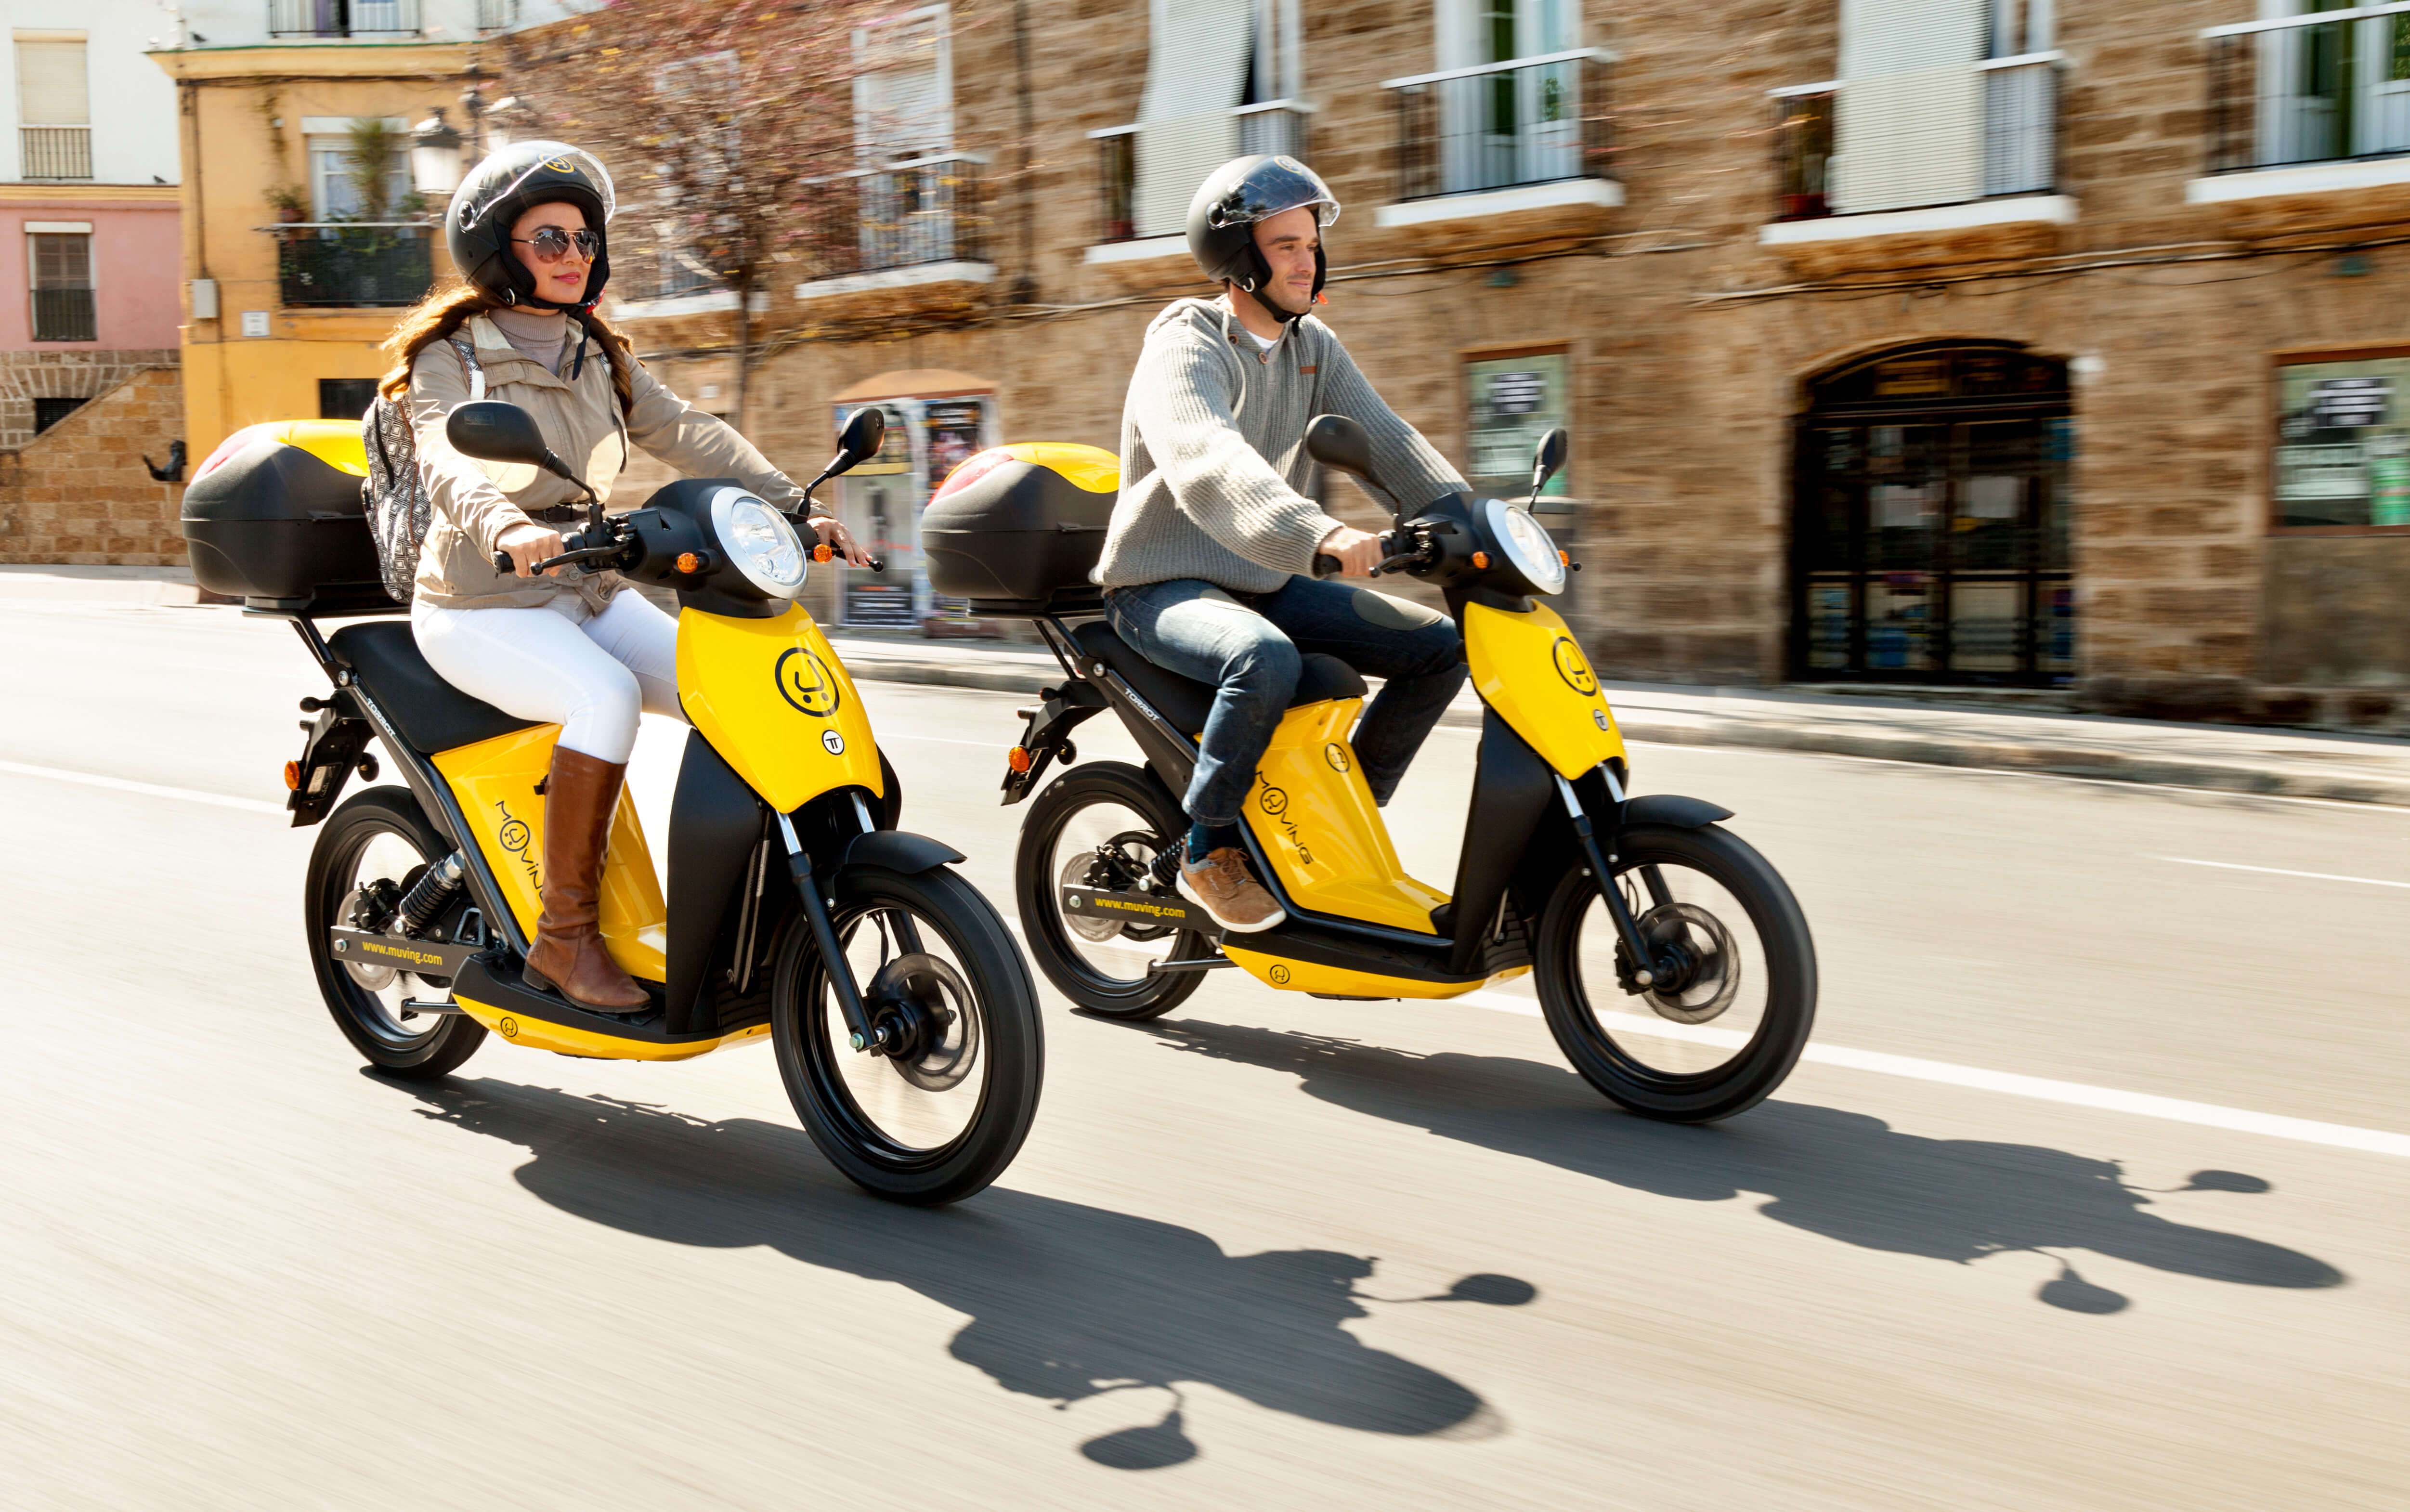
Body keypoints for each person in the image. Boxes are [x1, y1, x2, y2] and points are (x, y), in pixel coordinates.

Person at [377, 141, 870, 1013]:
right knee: (603, 697)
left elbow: (692, 432)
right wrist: (507, 525)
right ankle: (564, 941)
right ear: (501, 253)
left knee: (729, 688)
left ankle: (763, 900)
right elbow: (445, 457)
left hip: (588, 587)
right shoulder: (454, 356)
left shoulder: (596, 353)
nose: (575, 257)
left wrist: (796, 507)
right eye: (549, 240)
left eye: (583, 240)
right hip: (479, 599)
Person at [1094, 155, 1469, 934]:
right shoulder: (1185, 340)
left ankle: (1338, 820)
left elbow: (1391, 446)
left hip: (1256, 580)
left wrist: (1482, 527)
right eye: (1285, 245)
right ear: (1240, 260)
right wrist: (1319, 534)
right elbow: (1206, 459)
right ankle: (1208, 849)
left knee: (1438, 646)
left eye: (1310, 244)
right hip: (1159, 586)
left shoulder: (1312, 348)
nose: (1307, 260)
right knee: (1262, 658)